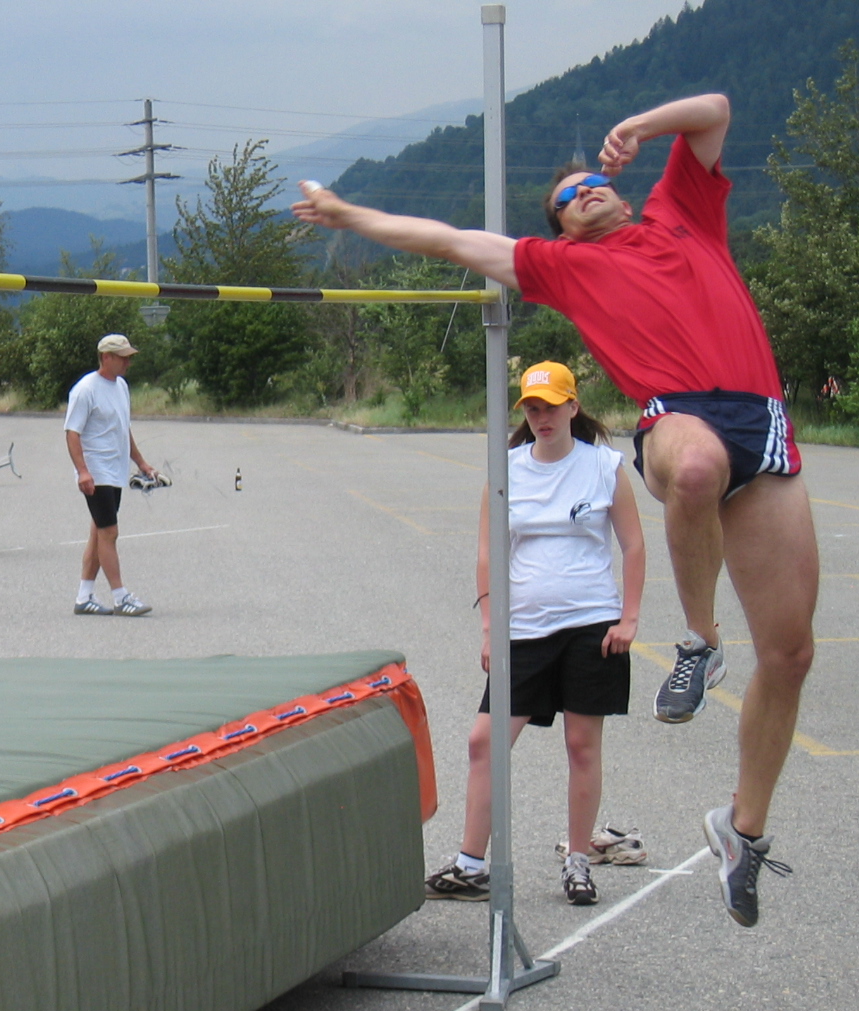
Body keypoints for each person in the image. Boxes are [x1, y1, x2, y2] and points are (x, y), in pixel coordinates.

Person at [295, 93, 813, 927]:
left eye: (591, 184)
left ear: (621, 193)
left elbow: (716, 110)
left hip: (765, 418)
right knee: (694, 470)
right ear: (561, 229)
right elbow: (447, 239)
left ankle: (742, 830)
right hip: (682, 415)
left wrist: (640, 126)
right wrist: (347, 214)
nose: (585, 192)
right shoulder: (561, 267)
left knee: (789, 655)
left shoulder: (681, 211)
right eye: (567, 197)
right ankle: (701, 642)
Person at [423, 361, 646, 907]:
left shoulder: (604, 467)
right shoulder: (506, 471)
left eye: (551, 407)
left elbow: (634, 545)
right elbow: (488, 553)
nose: (541, 417)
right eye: (532, 408)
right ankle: (472, 865)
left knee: (581, 744)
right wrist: (489, 628)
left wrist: (629, 618)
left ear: (573, 407)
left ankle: (578, 861)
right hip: (524, 629)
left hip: (591, 624)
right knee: (485, 740)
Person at [64, 333, 156, 617]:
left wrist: (141, 463)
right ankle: (121, 597)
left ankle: (84, 597)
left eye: (129, 357)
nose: (128, 363)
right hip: (97, 471)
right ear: (106, 357)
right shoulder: (85, 390)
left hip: (115, 471)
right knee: (109, 532)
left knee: (98, 532)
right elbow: (72, 432)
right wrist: (83, 471)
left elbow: (123, 429)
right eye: (123, 358)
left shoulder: (121, 387)